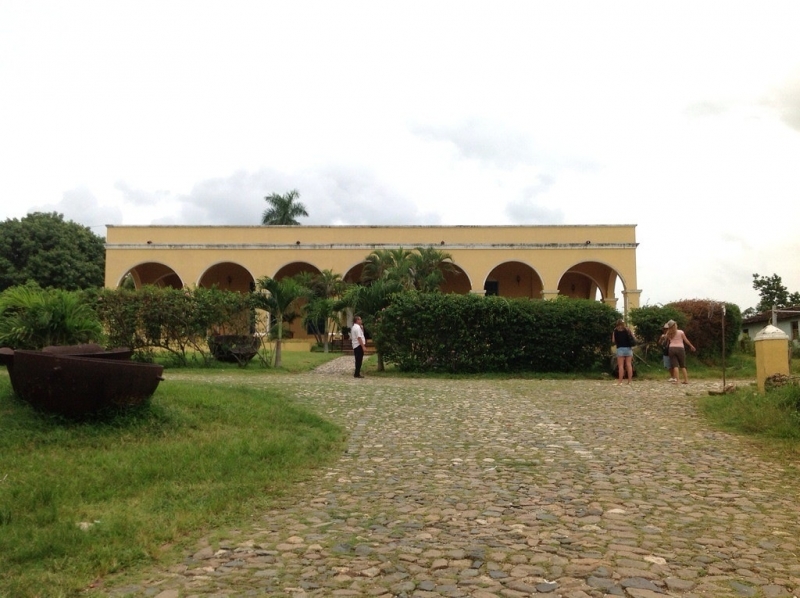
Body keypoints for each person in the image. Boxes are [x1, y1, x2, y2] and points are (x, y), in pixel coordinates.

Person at [665, 319, 696, 384]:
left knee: (675, 366)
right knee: (683, 365)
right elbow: (686, 340)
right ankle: (686, 380)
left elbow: (666, 339)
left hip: (672, 348)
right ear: (675, 325)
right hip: (680, 348)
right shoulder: (681, 332)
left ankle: (678, 380)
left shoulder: (668, 333)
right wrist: (691, 346)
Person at [611, 319, 635, 385]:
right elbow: (633, 337)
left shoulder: (615, 330)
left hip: (620, 349)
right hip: (628, 349)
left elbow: (613, 340)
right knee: (629, 365)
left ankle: (620, 381)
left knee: (621, 366)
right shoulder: (627, 330)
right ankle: (629, 381)